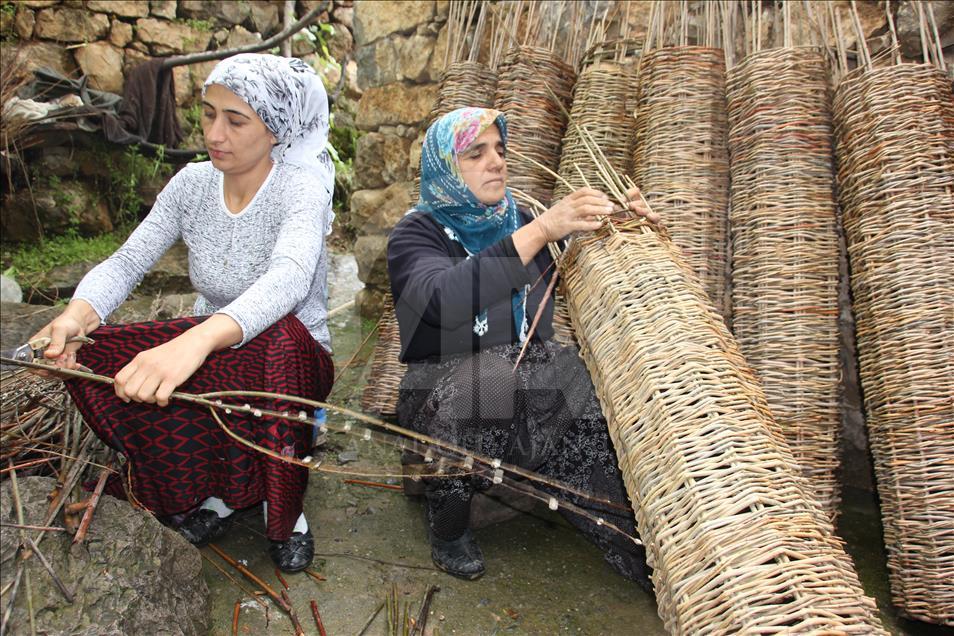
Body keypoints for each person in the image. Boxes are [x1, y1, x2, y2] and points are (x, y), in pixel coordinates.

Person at [30, 54, 335, 572]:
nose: (216, 132)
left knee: (277, 338)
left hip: (291, 361)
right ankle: (217, 491)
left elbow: (289, 277)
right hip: (211, 349)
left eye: (236, 120)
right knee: (95, 350)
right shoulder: (192, 185)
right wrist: (79, 314)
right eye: (208, 113)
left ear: (276, 129)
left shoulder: (300, 187)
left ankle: (285, 512)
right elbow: (129, 259)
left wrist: (193, 342)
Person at [387, 107, 659, 586]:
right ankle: (449, 526)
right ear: (445, 167)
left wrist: (625, 227)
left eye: (500, 150)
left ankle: (641, 553)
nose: (496, 162)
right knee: (490, 380)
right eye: (476, 153)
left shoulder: (521, 218)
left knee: (574, 375)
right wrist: (540, 232)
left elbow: (588, 266)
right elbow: (441, 301)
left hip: (528, 383)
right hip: (446, 394)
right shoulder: (417, 233)